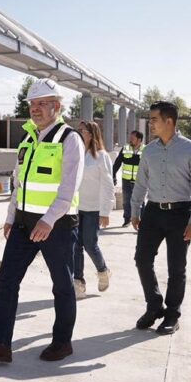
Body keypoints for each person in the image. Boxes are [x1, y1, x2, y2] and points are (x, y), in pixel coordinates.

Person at [0, 78, 84, 363]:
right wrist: (10, 217)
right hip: (22, 224)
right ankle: (0, 345)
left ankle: (62, 342)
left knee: (62, 285)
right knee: (7, 281)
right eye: (32, 104)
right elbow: (18, 183)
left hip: (55, 225)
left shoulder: (70, 140)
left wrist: (47, 220)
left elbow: (68, 189)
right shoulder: (28, 138)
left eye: (42, 104)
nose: (35, 109)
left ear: (57, 107)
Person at [132, 101, 191, 335]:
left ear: (169, 121)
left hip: (180, 214)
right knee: (142, 259)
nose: (150, 123)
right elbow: (141, 182)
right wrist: (135, 210)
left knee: (177, 268)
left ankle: (172, 314)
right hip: (153, 212)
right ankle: (155, 306)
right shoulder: (149, 150)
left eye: (154, 119)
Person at [73, 121, 115, 299]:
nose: (80, 133)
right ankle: (78, 282)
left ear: (91, 134)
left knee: (90, 244)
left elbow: (108, 185)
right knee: (76, 246)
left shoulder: (101, 156)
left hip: (93, 209)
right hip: (75, 208)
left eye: (83, 131)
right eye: (79, 130)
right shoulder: (76, 154)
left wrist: (105, 211)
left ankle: (103, 270)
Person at [113, 130, 144, 227]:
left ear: (139, 139)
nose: (130, 140)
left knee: (140, 201)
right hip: (126, 180)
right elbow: (117, 163)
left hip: (140, 181)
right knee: (126, 201)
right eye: (130, 137)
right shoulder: (125, 148)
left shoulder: (146, 150)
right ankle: (127, 219)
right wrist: (113, 174)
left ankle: (143, 222)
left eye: (132, 138)